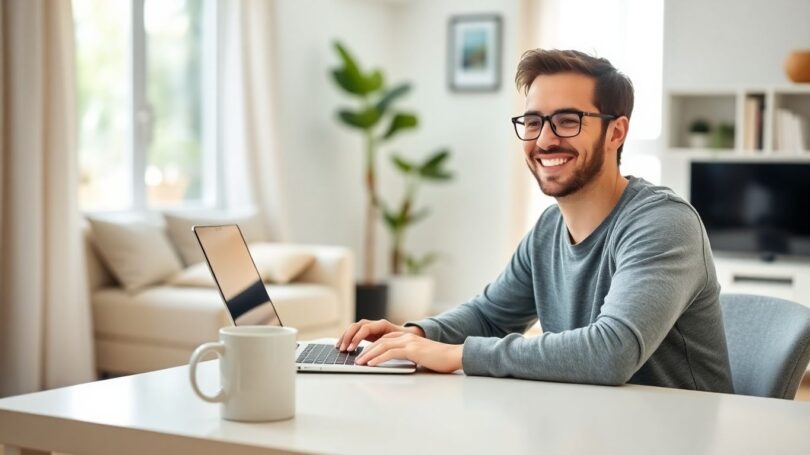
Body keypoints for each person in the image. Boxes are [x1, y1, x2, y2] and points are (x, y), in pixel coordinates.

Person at [337, 49, 733, 392]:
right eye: (532, 122)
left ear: (616, 132)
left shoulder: (663, 224)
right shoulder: (549, 229)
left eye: (567, 120)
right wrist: (416, 336)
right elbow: (489, 316)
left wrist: (456, 354)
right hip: (592, 426)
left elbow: (611, 352)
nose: (544, 140)